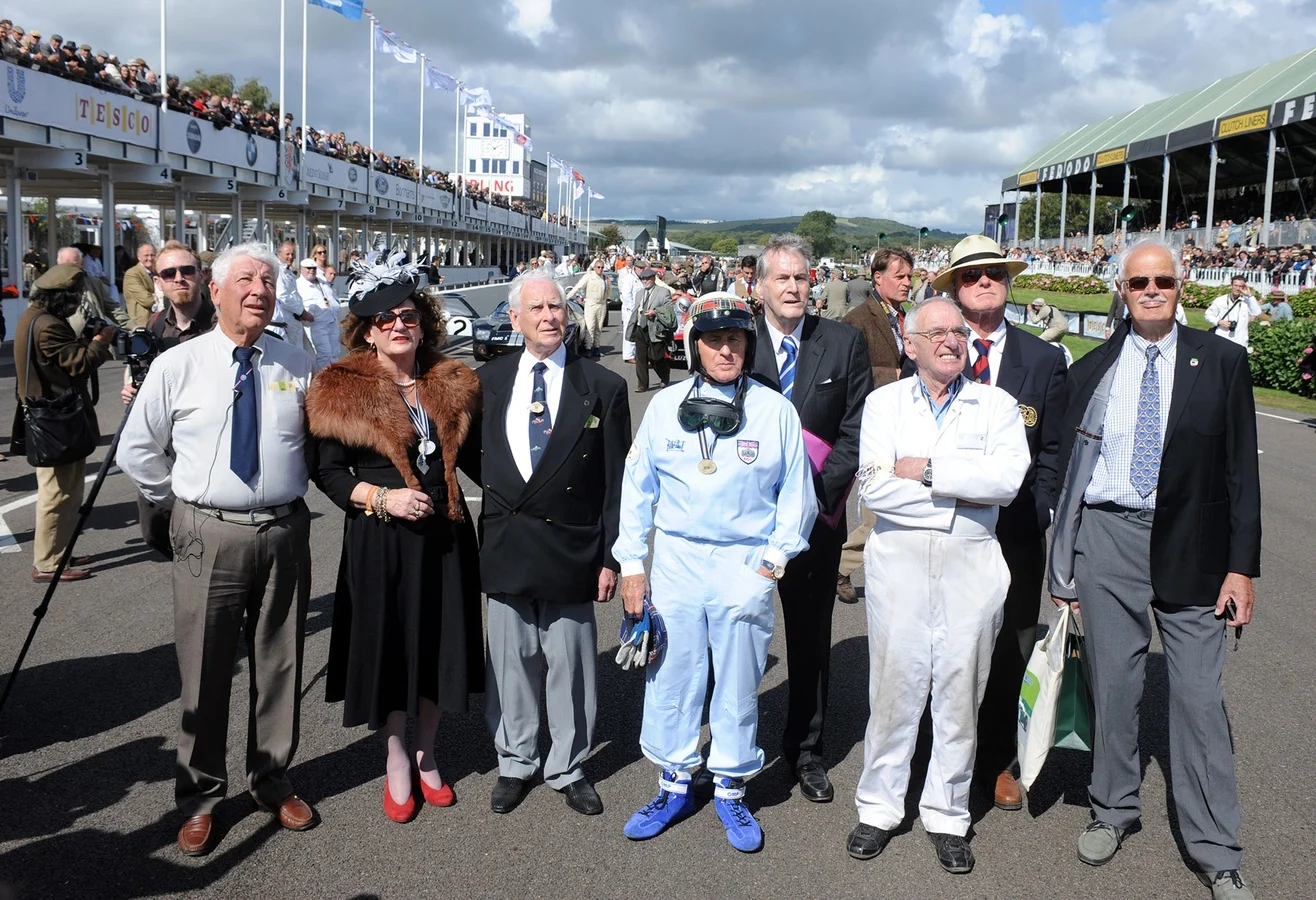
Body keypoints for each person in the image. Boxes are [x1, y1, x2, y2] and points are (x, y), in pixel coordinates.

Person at [1048, 241, 1261, 900]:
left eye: (1162, 280)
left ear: (1183, 285)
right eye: (1139, 281)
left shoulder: (1222, 362)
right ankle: (1112, 809)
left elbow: (1242, 475)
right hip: (1108, 540)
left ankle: (1217, 847)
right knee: (1114, 687)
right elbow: (1063, 473)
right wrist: (1065, 564)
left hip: (1193, 544)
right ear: (1121, 286)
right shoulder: (1090, 368)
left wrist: (1241, 567)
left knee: (1197, 700)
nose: (1150, 290)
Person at [118, 242, 319, 857]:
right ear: (217, 289)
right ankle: (202, 796)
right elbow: (138, 448)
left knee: (281, 662)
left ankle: (270, 778)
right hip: (208, 530)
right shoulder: (180, 364)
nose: (259, 289)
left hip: (285, 529)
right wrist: (176, 504)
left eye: (269, 279)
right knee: (204, 669)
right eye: (247, 279)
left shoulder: (297, 361)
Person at [615, 293, 817, 852]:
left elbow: (796, 495)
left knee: (736, 677)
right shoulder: (664, 405)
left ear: (748, 345)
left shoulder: (775, 410)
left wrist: (772, 563)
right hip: (677, 558)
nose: (726, 350)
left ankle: (730, 787)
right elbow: (637, 489)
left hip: (743, 561)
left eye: (735, 340)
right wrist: (633, 564)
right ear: (693, 345)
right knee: (672, 673)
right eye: (714, 340)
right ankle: (674, 783)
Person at [847, 296, 1028, 874]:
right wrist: (959, 497)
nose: (952, 340)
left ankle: (948, 814)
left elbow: (1005, 481)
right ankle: (878, 807)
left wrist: (925, 470)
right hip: (898, 562)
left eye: (958, 331)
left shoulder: (996, 405)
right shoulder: (884, 403)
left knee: (959, 693)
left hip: (971, 565)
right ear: (912, 343)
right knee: (894, 689)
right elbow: (874, 489)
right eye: (938, 332)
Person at [306, 256, 484, 824]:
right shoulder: (339, 387)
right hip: (380, 540)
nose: (397, 326)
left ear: (425, 320)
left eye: (407, 315)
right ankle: (395, 759)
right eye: (383, 319)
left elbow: (482, 461)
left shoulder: (452, 381)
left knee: (438, 643)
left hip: (446, 536)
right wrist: (383, 499)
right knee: (388, 647)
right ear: (365, 329)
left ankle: (429, 751)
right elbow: (328, 473)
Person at [475, 270, 631, 817]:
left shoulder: (603, 386)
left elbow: (616, 483)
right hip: (507, 540)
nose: (549, 316)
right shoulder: (485, 382)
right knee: (510, 662)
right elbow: (476, 457)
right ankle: (515, 760)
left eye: (557, 307)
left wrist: (611, 555)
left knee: (570, 664)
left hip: (573, 545)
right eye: (536, 308)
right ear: (514, 319)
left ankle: (568, 764)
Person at [929, 234, 1067, 813]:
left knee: (1011, 646)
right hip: (944, 529)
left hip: (1014, 535)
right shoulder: (935, 351)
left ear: (1008, 283)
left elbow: (1055, 450)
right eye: (971, 275)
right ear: (954, 289)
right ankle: (932, 754)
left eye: (994, 273)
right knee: (942, 645)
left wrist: (1035, 514)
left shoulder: (1043, 358)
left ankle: (996, 760)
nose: (984, 282)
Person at [750, 234, 871, 803]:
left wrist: (807, 504)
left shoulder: (843, 343)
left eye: (801, 277)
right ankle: (733, 749)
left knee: (809, 640)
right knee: (735, 638)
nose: (794, 287)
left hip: (816, 523)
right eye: (782, 278)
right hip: (745, 528)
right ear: (761, 286)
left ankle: (806, 750)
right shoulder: (732, 343)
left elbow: (855, 432)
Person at [14, 264, 117, 582]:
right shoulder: (48, 326)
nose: (76, 304)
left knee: (67, 492)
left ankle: (58, 553)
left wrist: (86, 335)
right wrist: (101, 340)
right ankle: (47, 563)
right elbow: (78, 364)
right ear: (58, 297)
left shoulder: (37, 317)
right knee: (57, 494)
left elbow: (59, 360)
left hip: (55, 420)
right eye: (72, 298)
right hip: (56, 422)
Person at [837, 248, 915, 603]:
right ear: (877, 277)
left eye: (909, 276)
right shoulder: (858, 319)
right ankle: (839, 566)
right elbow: (847, 376)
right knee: (879, 510)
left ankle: (843, 566)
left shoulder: (906, 317)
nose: (906, 282)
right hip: (877, 426)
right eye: (899, 276)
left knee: (897, 506)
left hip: (909, 424)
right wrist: (896, 376)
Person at [627, 268, 676, 393]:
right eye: (643, 279)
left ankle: (665, 374)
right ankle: (642, 384)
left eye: (648, 278)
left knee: (656, 357)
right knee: (640, 358)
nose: (645, 281)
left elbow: (669, 309)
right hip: (640, 328)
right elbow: (635, 312)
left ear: (654, 279)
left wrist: (656, 312)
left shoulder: (663, 292)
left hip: (655, 329)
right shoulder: (639, 293)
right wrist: (630, 329)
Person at [297, 257, 346, 370]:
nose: (311, 271)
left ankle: (333, 379)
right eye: (308, 268)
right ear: (302, 269)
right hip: (317, 325)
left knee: (335, 353)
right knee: (324, 354)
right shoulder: (299, 284)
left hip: (332, 322)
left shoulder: (321, 281)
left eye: (313, 268)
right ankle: (321, 380)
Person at [565, 257, 609, 357]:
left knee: (599, 327)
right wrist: (567, 297)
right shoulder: (588, 276)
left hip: (601, 304)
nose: (600, 269)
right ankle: (588, 348)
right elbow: (578, 287)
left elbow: (608, 291)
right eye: (598, 267)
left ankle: (596, 347)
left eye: (602, 267)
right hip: (591, 304)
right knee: (590, 327)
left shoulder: (605, 278)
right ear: (594, 267)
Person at [274, 241, 312, 352]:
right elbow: (282, 296)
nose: (290, 257)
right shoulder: (277, 271)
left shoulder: (288, 271)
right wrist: (302, 312)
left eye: (292, 254)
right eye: (287, 254)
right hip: (285, 320)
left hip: (294, 319)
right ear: (279, 254)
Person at [1205, 276, 1263, 348]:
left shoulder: (1247, 301)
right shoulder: (1220, 300)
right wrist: (1219, 321)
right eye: (1235, 285)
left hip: (1240, 340)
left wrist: (1249, 295)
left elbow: (1257, 312)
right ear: (1231, 285)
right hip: (1221, 337)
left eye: (1240, 286)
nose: (1237, 288)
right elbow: (1208, 315)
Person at [122, 242, 157, 326]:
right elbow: (147, 300)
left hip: (156, 321)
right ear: (139, 257)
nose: (150, 258)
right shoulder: (132, 273)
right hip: (141, 323)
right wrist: (161, 297)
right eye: (146, 255)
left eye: (152, 255)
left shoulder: (157, 272)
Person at [617, 254, 642, 362]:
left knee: (635, 332)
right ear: (635, 268)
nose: (642, 270)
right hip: (630, 310)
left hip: (637, 309)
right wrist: (632, 308)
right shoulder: (629, 278)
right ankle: (628, 356)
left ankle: (634, 353)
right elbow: (626, 295)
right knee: (629, 331)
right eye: (640, 268)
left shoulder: (640, 279)